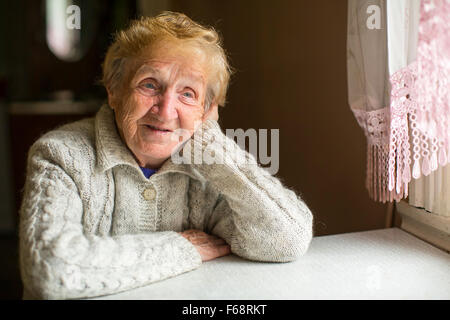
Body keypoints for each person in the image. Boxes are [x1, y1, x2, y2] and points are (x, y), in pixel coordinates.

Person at [19, 12, 314, 299]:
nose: (165, 110)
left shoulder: (209, 169)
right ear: (114, 90)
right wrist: (180, 248)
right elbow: (52, 270)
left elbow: (287, 239)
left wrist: (211, 144)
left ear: (207, 111)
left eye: (188, 94)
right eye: (149, 85)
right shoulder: (60, 154)